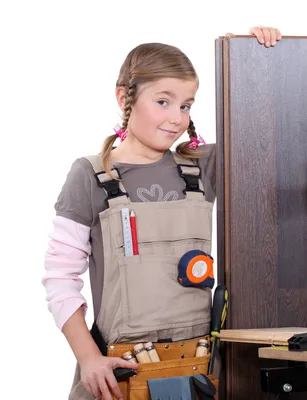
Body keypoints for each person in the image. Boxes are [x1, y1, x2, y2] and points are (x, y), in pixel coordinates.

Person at [41, 26, 282, 400]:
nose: (177, 118)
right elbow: (59, 277)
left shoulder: (203, 167)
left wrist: (255, 53)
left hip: (200, 373)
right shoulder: (90, 176)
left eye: (186, 105)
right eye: (163, 101)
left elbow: (268, 136)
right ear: (125, 97)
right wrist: (89, 358)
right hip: (120, 374)